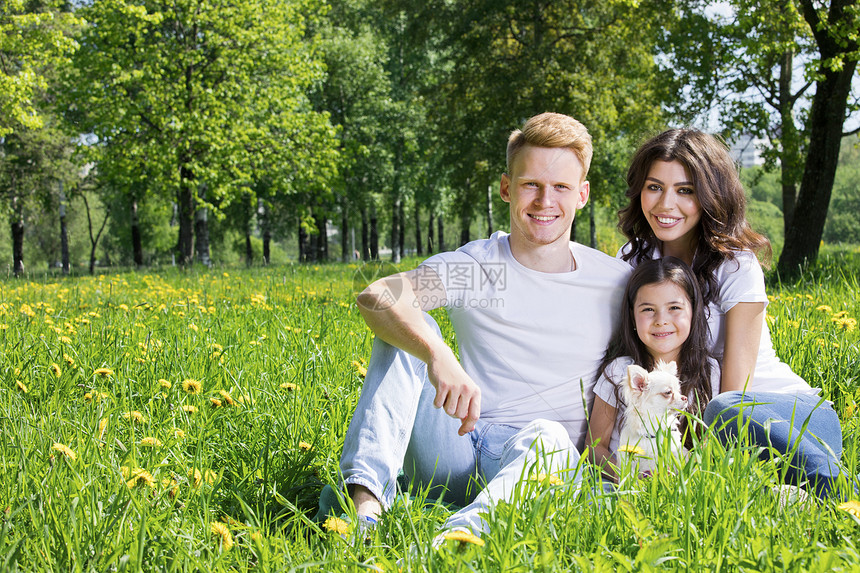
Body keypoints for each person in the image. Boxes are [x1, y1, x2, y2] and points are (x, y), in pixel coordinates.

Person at [337, 112, 632, 537]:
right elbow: (377, 295)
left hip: (541, 464)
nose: (545, 201)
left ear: (582, 194)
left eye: (561, 188)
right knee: (406, 330)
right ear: (507, 188)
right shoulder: (478, 269)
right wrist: (437, 356)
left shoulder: (613, 281)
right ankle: (365, 509)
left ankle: (456, 539)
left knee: (549, 437)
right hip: (455, 448)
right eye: (531, 184)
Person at [616, 128, 846, 497]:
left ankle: (839, 490)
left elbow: (736, 392)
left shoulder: (736, 265)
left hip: (789, 417)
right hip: (713, 424)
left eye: (685, 190)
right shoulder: (635, 260)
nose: (665, 204)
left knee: (726, 410)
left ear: (710, 195)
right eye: (654, 187)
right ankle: (781, 494)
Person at [587, 257, 720, 478]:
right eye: (648, 309)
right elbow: (594, 447)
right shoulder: (619, 371)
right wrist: (629, 478)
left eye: (674, 307)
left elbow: (711, 449)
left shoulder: (709, 371)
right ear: (632, 315)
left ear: (694, 311)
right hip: (623, 485)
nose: (661, 320)